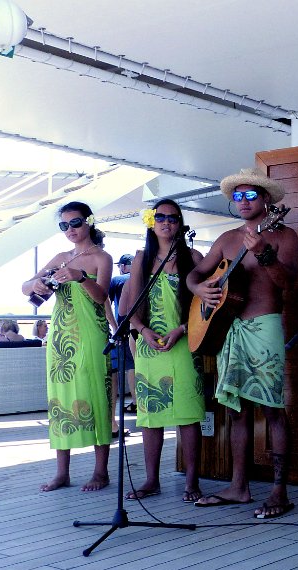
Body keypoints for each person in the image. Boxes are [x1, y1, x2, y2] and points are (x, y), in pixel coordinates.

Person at [188, 167, 298, 519]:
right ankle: (239, 486)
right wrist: (197, 288)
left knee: (272, 410)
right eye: (238, 196)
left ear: (266, 199)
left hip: (264, 326)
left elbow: (287, 284)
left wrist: (265, 253)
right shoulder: (226, 238)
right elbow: (196, 273)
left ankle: (279, 491)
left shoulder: (285, 236)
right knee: (236, 412)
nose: (244, 201)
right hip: (229, 330)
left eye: (251, 194)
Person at [21, 201, 113, 492]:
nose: (70, 230)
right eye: (64, 225)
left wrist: (81, 277)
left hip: (91, 334)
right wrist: (35, 286)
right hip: (61, 337)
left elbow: (101, 297)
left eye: (75, 223)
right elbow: (25, 285)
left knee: (98, 395)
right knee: (60, 400)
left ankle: (101, 471)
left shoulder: (102, 257)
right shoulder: (61, 256)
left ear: (89, 222)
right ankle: (62, 472)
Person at [121, 200, 207, 503]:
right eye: (160, 217)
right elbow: (128, 309)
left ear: (180, 223)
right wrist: (143, 331)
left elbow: (207, 304)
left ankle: (192, 482)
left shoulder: (193, 257)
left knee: (188, 415)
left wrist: (181, 329)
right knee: (150, 417)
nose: (166, 222)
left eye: (173, 218)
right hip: (149, 346)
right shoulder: (141, 259)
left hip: (184, 341)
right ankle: (151, 480)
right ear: (151, 222)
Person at [109, 253, 137, 426]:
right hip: (141, 327)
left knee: (126, 367)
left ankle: (135, 403)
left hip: (123, 327)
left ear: (125, 266)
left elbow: (106, 301)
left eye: (121, 265)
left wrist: (113, 327)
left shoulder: (117, 280)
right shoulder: (142, 278)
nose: (120, 267)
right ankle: (139, 402)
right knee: (136, 364)